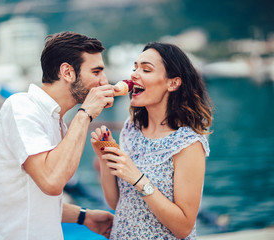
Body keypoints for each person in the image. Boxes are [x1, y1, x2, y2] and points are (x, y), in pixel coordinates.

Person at [0, 32, 115, 240]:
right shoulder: (21, 106)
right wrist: (85, 114)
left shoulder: (57, 122)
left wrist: (84, 216)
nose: (104, 81)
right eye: (96, 71)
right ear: (67, 72)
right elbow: (51, 182)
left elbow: (30, 200)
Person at [91, 42, 212, 239]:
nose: (134, 74)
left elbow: (183, 227)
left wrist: (138, 179)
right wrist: (105, 157)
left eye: (146, 69)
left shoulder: (188, 144)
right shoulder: (131, 127)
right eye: (135, 68)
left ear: (172, 83)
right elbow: (118, 203)